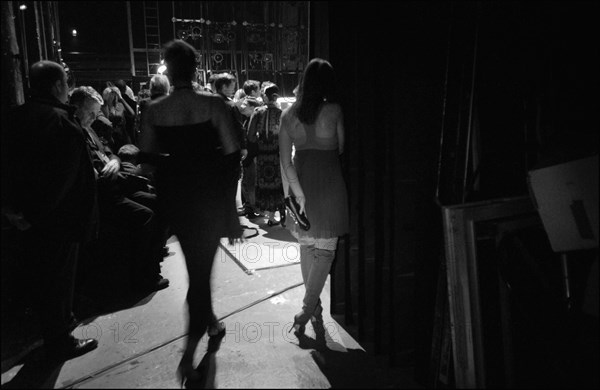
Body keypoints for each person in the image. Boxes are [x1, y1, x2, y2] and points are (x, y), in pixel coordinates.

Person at [138, 39, 241, 386]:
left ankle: (210, 320)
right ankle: (187, 357)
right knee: (200, 274)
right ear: (196, 67)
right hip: (208, 200)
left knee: (196, 266)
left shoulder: (153, 110)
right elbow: (231, 153)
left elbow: (148, 160)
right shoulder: (213, 104)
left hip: (175, 200)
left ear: (167, 68)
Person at [1, 60, 99, 359]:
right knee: (58, 281)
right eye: (67, 84)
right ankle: (60, 340)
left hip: (20, 217)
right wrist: (35, 215)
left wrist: (11, 211)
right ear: (58, 85)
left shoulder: (14, 117)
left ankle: (49, 333)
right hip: (57, 220)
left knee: (40, 278)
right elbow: (62, 181)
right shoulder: (61, 122)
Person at [70, 86, 169, 293]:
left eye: (95, 113)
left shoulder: (88, 128)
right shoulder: (73, 131)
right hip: (103, 194)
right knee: (146, 216)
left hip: (115, 183)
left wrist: (114, 162)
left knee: (163, 205)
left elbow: (108, 151)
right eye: (90, 112)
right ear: (75, 108)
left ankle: (153, 261)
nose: (93, 117)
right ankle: (142, 276)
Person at [279, 58, 349, 339]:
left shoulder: (288, 115)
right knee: (325, 252)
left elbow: (285, 161)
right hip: (331, 185)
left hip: (302, 188)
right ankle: (307, 311)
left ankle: (312, 311)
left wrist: (297, 193)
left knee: (307, 249)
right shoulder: (334, 110)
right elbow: (341, 147)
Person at [247, 84, 285, 226]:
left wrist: (259, 142)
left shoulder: (257, 112)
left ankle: (266, 212)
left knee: (263, 182)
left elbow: (250, 136)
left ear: (264, 95)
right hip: (276, 154)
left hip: (262, 155)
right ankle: (273, 215)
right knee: (276, 183)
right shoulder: (281, 113)